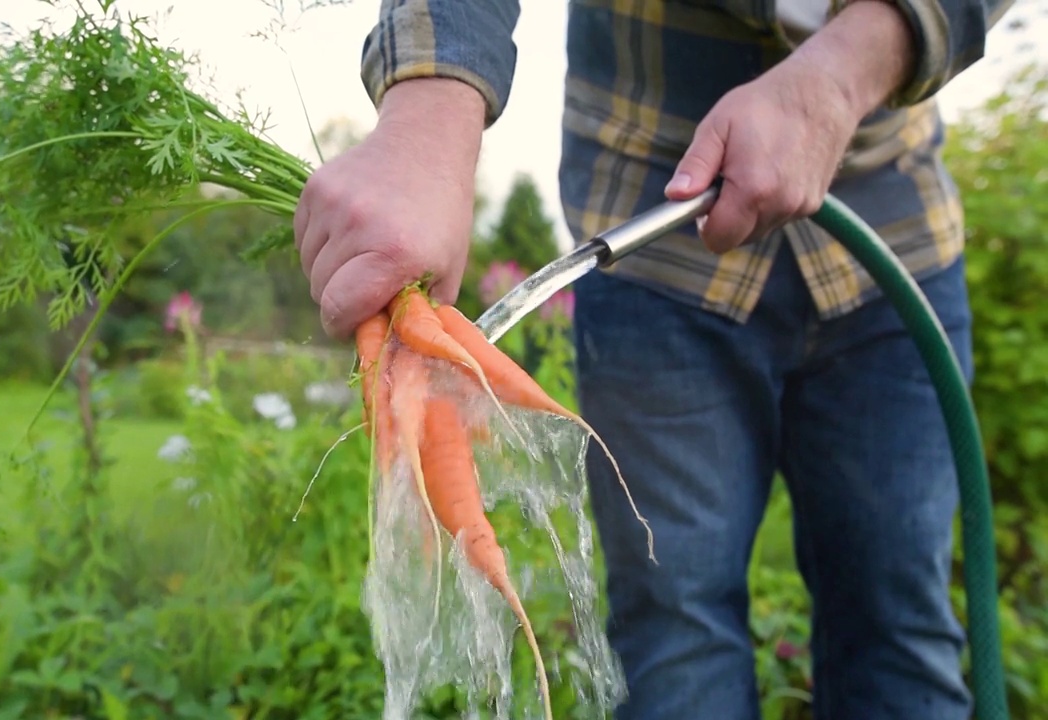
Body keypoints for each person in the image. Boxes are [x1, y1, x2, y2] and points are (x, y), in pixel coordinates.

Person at [293, 0, 1011, 718]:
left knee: (899, 627)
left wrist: (840, 76)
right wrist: (427, 117)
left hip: (892, 227)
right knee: (675, 629)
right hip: (654, 239)